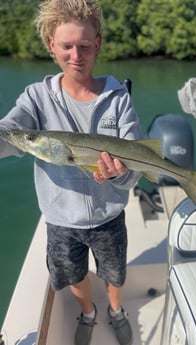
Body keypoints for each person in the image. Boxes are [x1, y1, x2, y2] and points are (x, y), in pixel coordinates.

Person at [0, 1, 142, 344]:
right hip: (61, 221)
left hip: (110, 217)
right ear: (52, 45)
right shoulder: (35, 99)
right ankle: (89, 312)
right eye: (66, 46)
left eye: (83, 45)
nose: (75, 54)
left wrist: (118, 175)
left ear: (98, 44)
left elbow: (134, 168)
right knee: (73, 274)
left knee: (115, 273)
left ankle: (115, 309)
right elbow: (10, 135)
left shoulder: (118, 98)